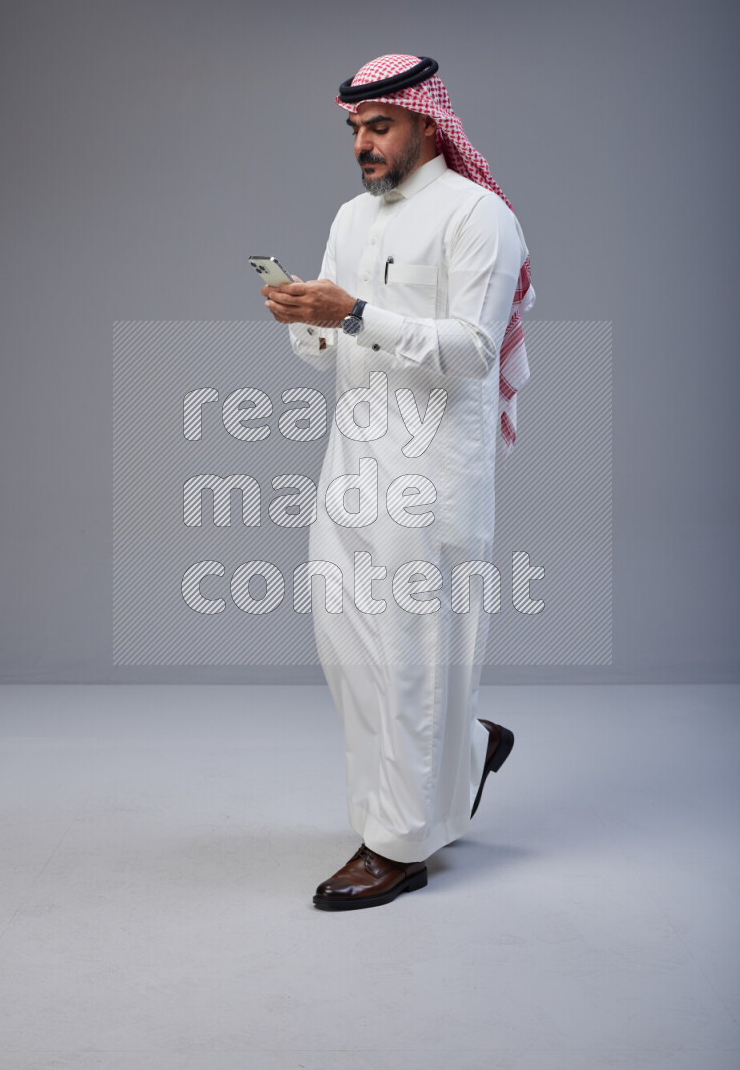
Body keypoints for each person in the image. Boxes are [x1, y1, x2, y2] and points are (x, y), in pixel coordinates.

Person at [261, 54, 535, 911]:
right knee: (349, 648)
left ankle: (398, 845)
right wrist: (302, 317)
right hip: (352, 463)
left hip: (433, 472)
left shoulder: (479, 217)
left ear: (426, 122)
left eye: (378, 125)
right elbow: (335, 341)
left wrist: (349, 313)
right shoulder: (351, 217)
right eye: (354, 128)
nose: (363, 144)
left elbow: (474, 349)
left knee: (411, 655)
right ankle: (462, 751)